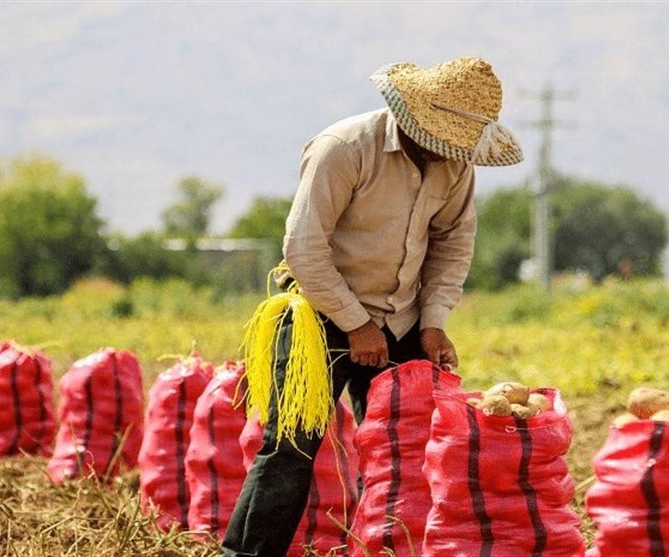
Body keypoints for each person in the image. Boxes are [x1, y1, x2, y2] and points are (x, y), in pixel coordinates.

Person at [221, 56, 523, 557]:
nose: (444, 150)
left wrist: (433, 323)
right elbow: (304, 248)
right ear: (411, 117)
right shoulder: (343, 149)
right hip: (318, 314)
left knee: (407, 450)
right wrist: (356, 325)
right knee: (291, 447)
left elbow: (452, 244)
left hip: (402, 318)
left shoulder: (455, 163)